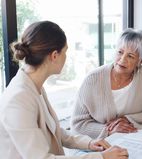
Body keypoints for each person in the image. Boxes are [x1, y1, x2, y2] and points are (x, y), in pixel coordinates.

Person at [0, 21, 128, 159]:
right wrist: (102, 157)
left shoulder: (34, 85)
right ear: (54, 55)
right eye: (65, 51)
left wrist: (89, 143)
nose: (66, 57)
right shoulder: (18, 100)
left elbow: (54, 131)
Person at [71, 28, 142, 139]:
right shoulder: (92, 80)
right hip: (98, 145)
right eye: (120, 52)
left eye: (130, 56)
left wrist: (128, 118)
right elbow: (77, 125)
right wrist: (109, 130)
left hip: (132, 140)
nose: (122, 59)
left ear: (140, 61)